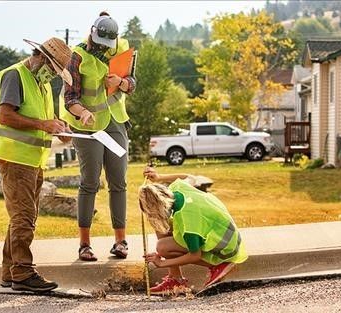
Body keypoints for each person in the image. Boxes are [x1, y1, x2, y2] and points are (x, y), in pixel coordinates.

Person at [0, 37, 73, 293]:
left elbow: (45, 119)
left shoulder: (42, 85)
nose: (54, 75)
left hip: (32, 160)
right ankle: (23, 274)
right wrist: (42, 125)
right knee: (24, 217)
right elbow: (6, 115)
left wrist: (59, 127)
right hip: (15, 158)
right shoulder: (15, 76)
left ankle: (10, 273)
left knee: (21, 217)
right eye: (53, 68)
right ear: (41, 57)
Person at [61, 14, 136, 261]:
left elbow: (132, 83)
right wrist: (81, 112)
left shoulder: (123, 48)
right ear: (92, 33)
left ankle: (121, 242)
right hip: (88, 126)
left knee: (118, 181)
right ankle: (84, 245)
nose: (103, 46)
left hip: (115, 121)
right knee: (90, 182)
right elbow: (70, 96)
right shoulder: (77, 55)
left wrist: (122, 83)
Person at [140, 167, 248, 295]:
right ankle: (175, 280)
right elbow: (191, 177)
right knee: (160, 227)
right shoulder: (177, 189)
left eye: (151, 212)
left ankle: (218, 265)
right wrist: (159, 177)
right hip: (224, 233)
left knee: (163, 247)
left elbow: (194, 255)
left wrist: (162, 263)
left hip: (225, 248)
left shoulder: (188, 222)